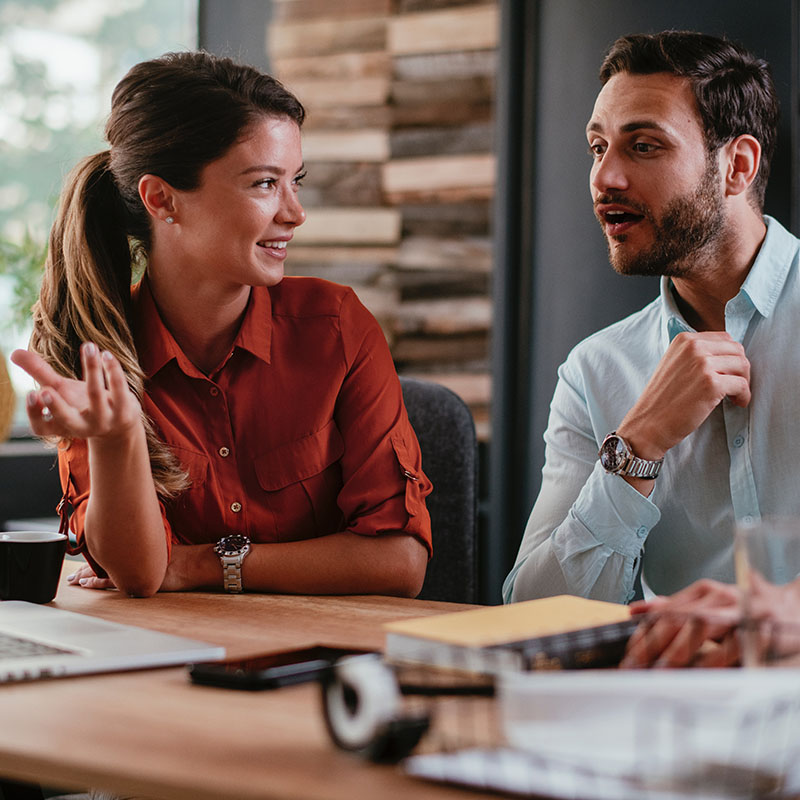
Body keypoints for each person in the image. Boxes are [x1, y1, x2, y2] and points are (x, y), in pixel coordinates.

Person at [11, 51, 432, 599]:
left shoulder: (337, 328)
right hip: (168, 667)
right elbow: (140, 573)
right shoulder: (99, 354)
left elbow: (400, 562)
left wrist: (197, 565)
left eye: (295, 181)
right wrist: (117, 437)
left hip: (322, 662)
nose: (294, 212)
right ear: (162, 199)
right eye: (263, 184)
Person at [504, 30, 799, 606]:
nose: (604, 178)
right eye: (597, 148)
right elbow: (533, 613)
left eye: (643, 146)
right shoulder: (594, 372)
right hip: (667, 695)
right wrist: (636, 447)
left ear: (737, 165)